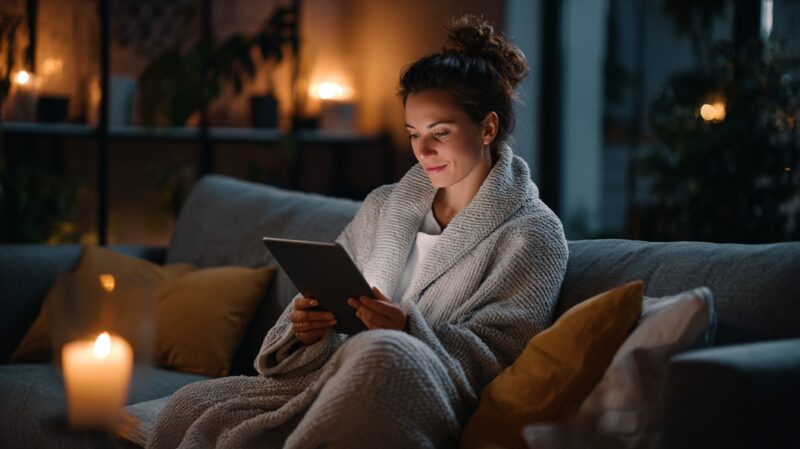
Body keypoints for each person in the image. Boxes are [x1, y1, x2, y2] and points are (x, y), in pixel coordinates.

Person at [145, 15, 568, 449]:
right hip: (336, 375)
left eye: (440, 133)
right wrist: (307, 329)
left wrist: (407, 331)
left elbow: (502, 355)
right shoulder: (386, 205)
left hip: (423, 389)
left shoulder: (533, 235)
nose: (423, 151)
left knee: (380, 353)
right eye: (413, 134)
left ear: (488, 128)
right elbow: (326, 293)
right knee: (188, 403)